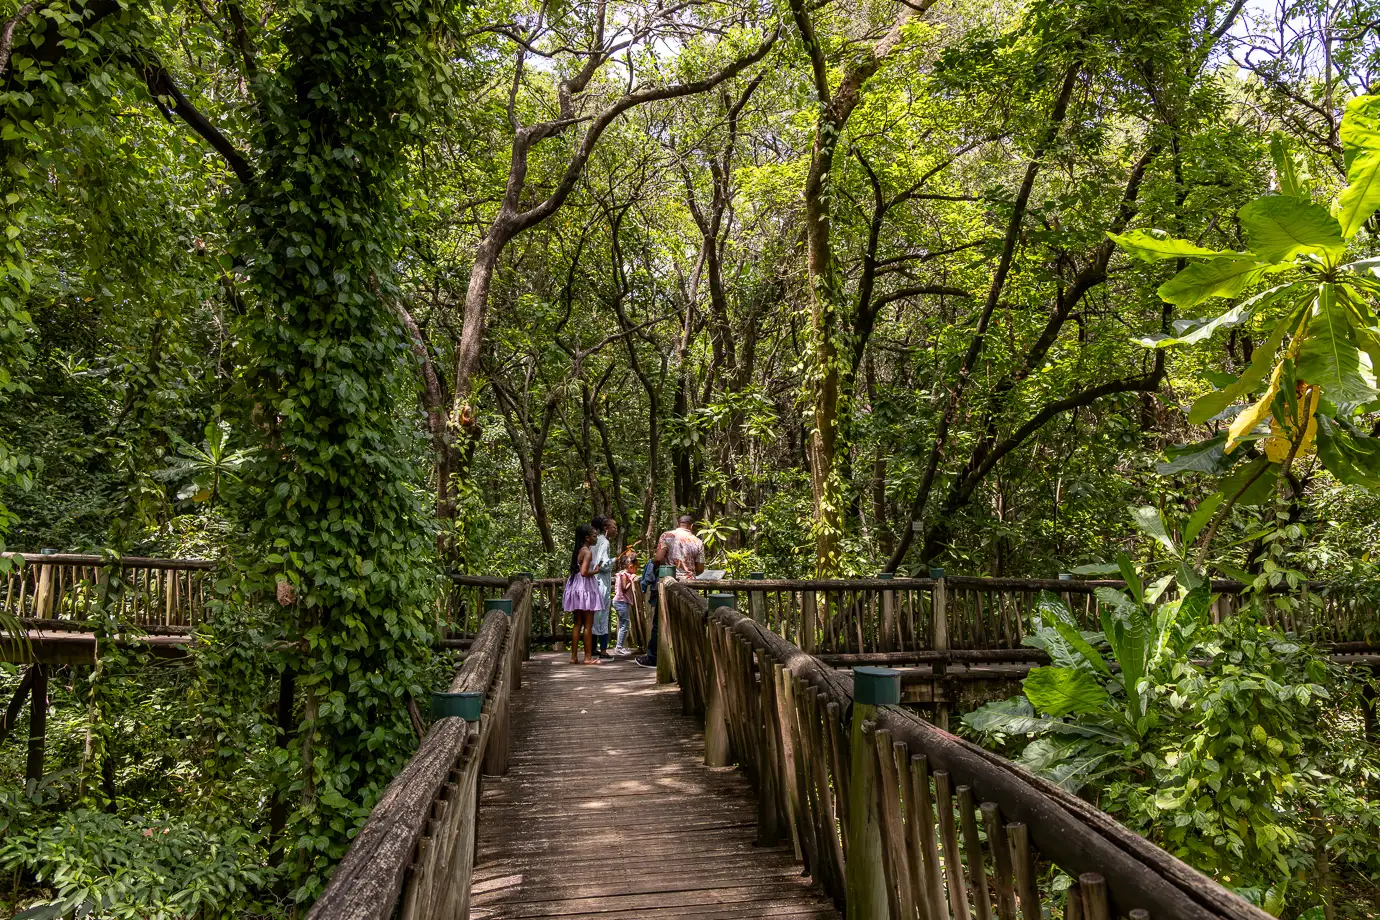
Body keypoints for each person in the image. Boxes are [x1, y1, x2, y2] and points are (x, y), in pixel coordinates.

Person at [635, 514, 705, 669]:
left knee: (661, 619)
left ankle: (654, 658)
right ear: (691, 526)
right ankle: (690, 657)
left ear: (678, 524)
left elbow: (659, 558)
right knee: (688, 620)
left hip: (669, 584)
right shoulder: (697, 541)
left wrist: (652, 566)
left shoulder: (667, 535)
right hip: (690, 586)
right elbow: (699, 569)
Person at [562, 523, 603, 665]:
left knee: (577, 623)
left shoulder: (578, 550)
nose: (596, 538)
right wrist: (597, 571)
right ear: (587, 538)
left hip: (576, 587)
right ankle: (587, 657)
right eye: (594, 536)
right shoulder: (588, 552)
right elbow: (584, 572)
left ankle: (573, 657)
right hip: (585, 588)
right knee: (588, 625)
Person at [590, 516, 618, 659]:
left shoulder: (594, 540)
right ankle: (603, 650)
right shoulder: (604, 542)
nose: (616, 530)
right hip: (601, 582)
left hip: (593, 582)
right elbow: (602, 564)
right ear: (606, 528)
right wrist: (616, 560)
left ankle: (593, 648)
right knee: (602, 615)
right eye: (614, 527)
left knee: (594, 615)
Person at [611, 550, 638, 656]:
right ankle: (619, 647)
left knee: (624, 624)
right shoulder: (624, 575)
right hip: (620, 602)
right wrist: (631, 581)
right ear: (631, 566)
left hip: (621, 602)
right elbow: (624, 588)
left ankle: (620, 646)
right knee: (624, 625)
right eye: (635, 567)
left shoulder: (624, 574)